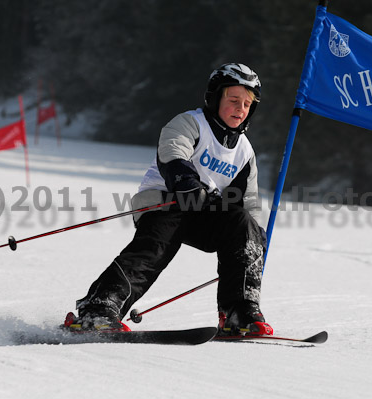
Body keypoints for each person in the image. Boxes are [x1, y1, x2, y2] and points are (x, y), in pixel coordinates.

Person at [73, 63, 273, 336]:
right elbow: (172, 151)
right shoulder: (191, 123)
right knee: (155, 249)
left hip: (204, 214)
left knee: (242, 224)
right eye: (233, 100)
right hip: (165, 201)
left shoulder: (244, 152)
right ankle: (98, 308)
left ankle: (239, 312)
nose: (240, 109)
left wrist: (255, 236)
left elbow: (247, 200)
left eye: (247, 104)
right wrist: (186, 182)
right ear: (215, 98)